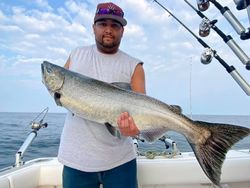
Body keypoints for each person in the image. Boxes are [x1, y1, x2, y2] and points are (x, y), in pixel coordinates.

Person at [58, 2, 146, 188]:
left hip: (121, 162)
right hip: (76, 161)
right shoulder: (76, 55)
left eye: (115, 25)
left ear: (122, 31)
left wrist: (134, 129)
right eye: (103, 24)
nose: (108, 30)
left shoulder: (134, 65)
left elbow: (142, 113)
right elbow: (60, 90)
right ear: (93, 27)